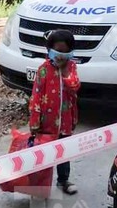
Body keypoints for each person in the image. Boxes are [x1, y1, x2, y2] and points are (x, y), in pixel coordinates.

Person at [29, 29, 80, 195]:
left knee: (64, 152)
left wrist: (65, 73)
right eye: (57, 52)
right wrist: (34, 120)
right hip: (46, 122)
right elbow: (36, 95)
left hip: (65, 121)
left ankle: (63, 180)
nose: (60, 56)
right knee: (45, 155)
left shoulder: (71, 67)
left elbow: (75, 87)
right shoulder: (43, 69)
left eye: (65, 53)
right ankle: (41, 185)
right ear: (49, 50)